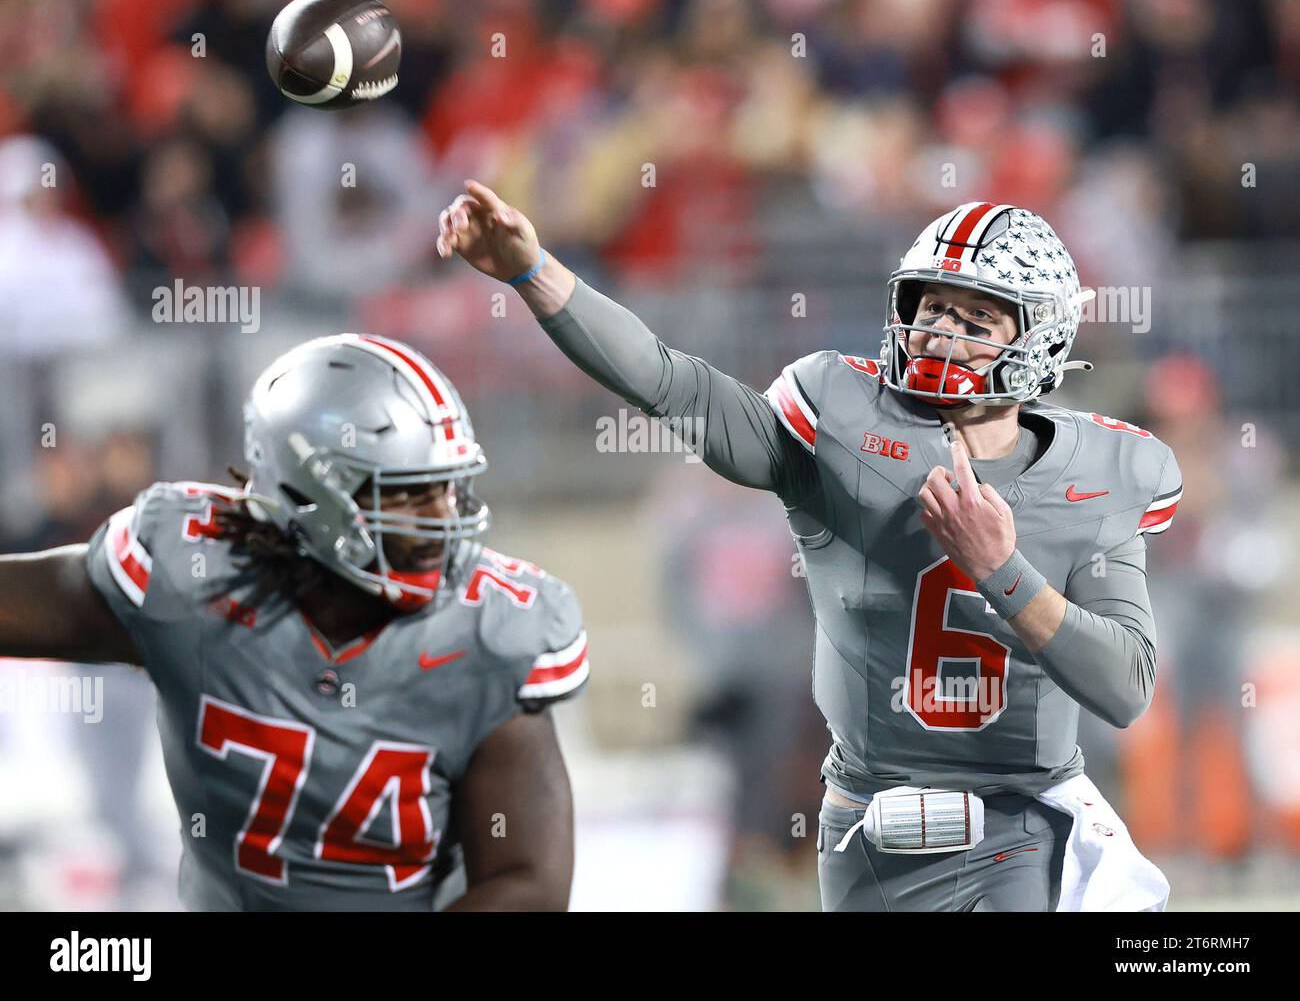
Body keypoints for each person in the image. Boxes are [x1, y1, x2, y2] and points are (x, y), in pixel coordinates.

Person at [438, 186, 1181, 912]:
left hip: (1022, 824)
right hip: (867, 824)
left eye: (977, 316)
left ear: (1040, 336)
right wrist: (535, 274)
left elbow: (1124, 687)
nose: (940, 331)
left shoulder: (1101, 471)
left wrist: (1002, 572)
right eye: (932, 306)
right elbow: (673, 384)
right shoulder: (839, 414)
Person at [0, 333, 588, 911]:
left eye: (447, 488)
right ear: (309, 493)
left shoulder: (487, 634)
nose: (443, 520)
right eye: (408, 495)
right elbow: (21, 603)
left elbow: (527, 882)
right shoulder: (194, 578)